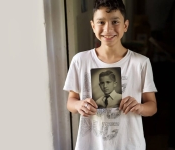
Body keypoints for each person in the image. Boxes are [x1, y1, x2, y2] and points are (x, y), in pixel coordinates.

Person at [63, 0, 157, 149]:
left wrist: (138, 107)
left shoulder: (141, 63)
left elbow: (152, 106)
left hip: (130, 144)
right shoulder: (80, 60)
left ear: (125, 25)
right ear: (93, 26)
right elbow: (71, 102)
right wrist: (79, 105)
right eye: (101, 22)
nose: (108, 29)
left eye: (115, 21)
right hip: (91, 145)